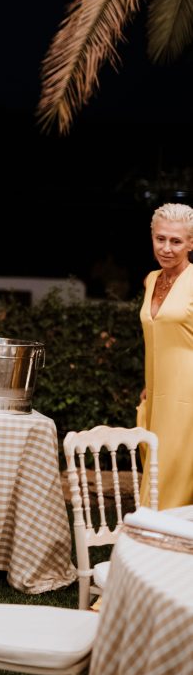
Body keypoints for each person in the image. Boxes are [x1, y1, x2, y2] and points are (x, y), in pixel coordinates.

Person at [137, 202, 193, 509]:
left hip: (187, 398)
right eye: (161, 239)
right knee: (157, 468)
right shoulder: (151, 279)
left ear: (191, 243)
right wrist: (150, 384)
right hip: (158, 395)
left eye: (176, 241)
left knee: (171, 482)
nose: (167, 248)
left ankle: (157, 534)